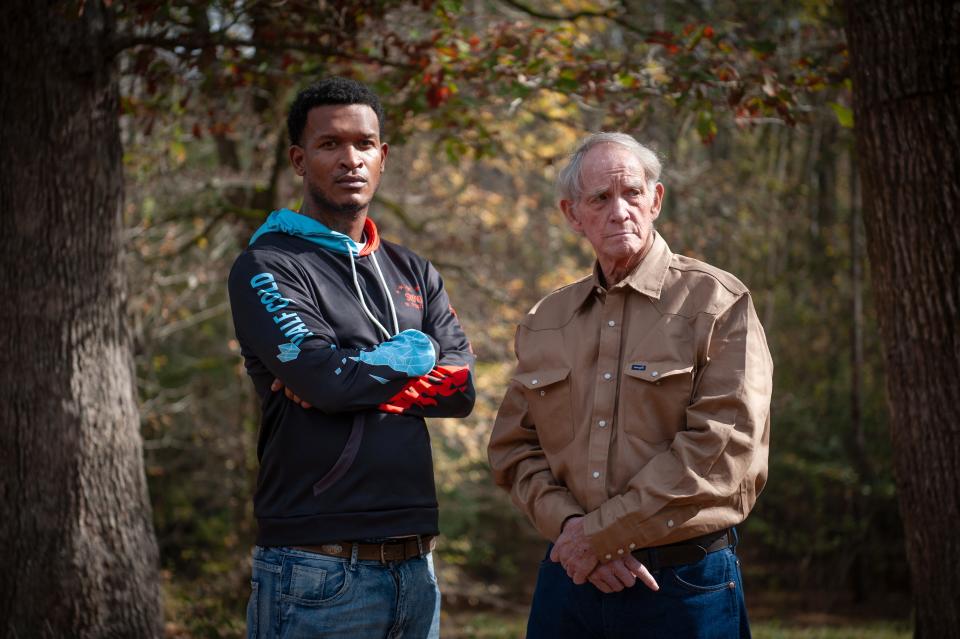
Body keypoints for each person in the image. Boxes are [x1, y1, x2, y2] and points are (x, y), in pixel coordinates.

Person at [487, 132, 772, 638]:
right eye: (600, 198)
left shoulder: (717, 302)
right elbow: (514, 450)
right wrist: (576, 537)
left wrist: (598, 537)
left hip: (682, 585)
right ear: (574, 215)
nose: (620, 211)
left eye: (632, 194)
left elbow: (722, 451)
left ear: (655, 199)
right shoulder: (545, 319)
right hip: (570, 578)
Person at [228, 77, 476, 639]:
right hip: (316, 566)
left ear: (382, 157)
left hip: (418, 565)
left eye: (364, 144)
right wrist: (417, 353)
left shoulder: (415, 271)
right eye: (329, 144)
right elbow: (326, 383)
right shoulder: (268, 265)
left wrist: (351, 371)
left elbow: (461, 388)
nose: (350, 159)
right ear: (299, 158)